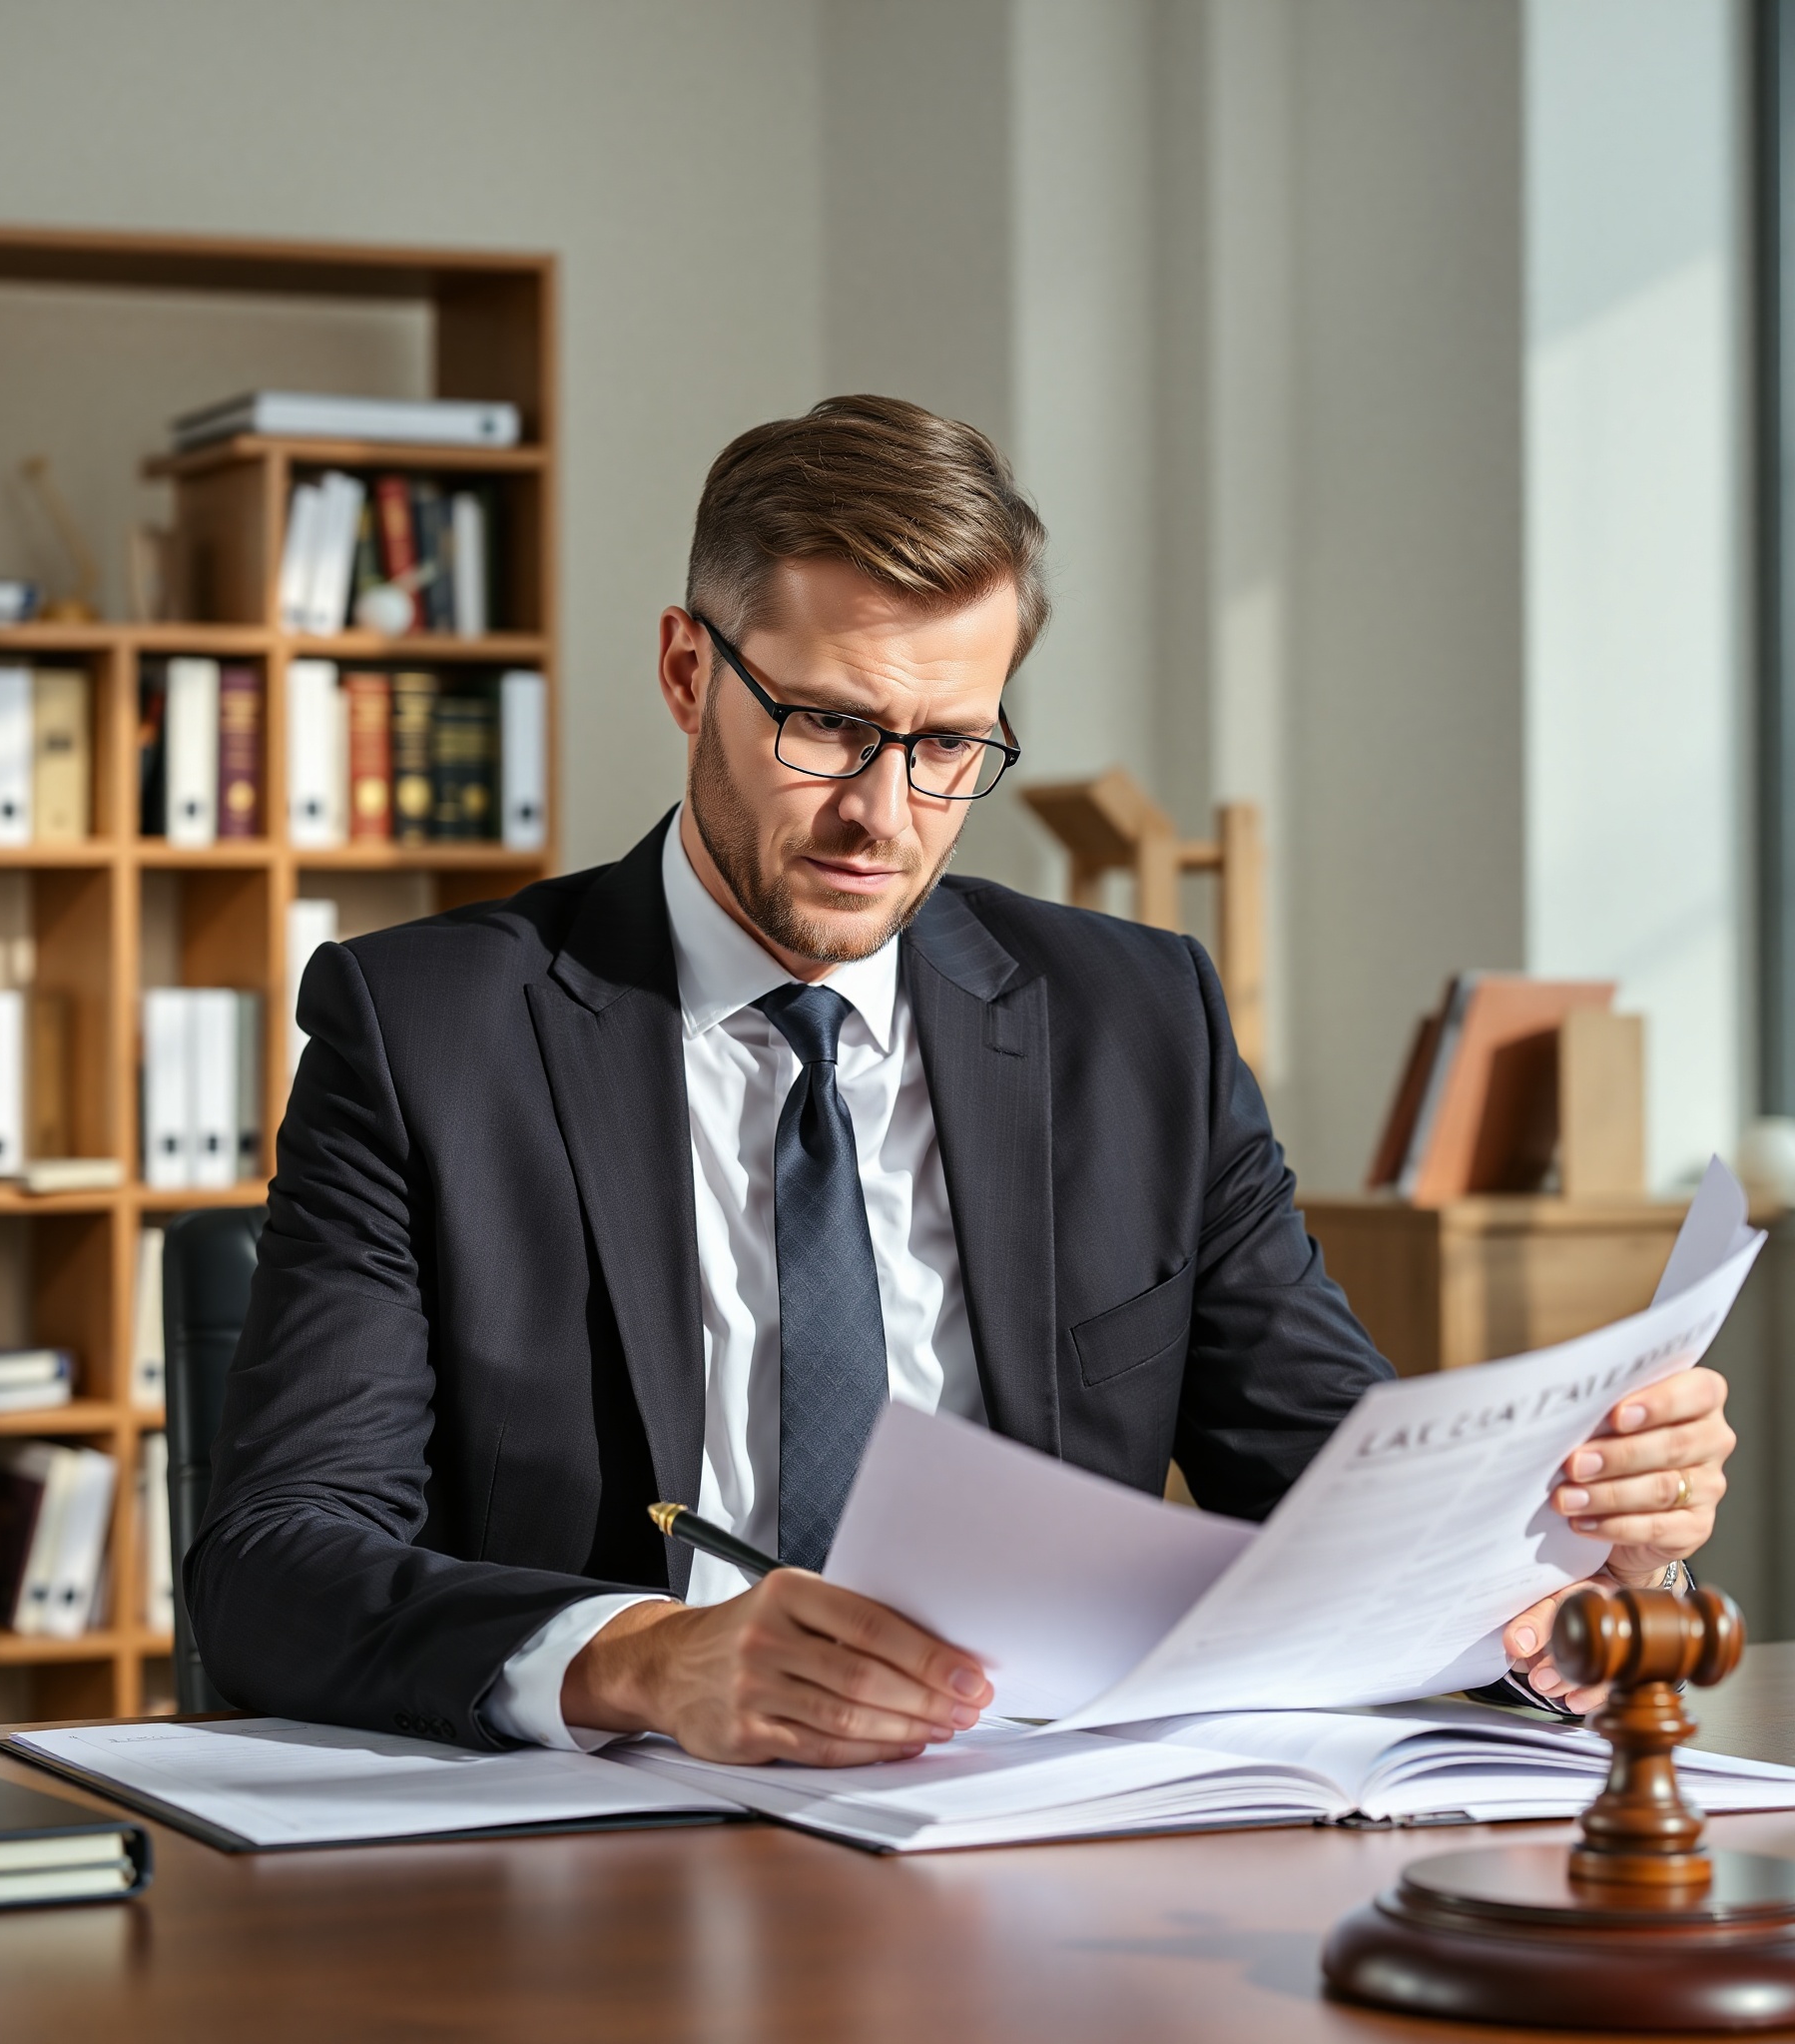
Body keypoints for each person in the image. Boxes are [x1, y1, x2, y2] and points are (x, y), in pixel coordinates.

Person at [188, 394, 1734, 1759]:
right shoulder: (429, 1030)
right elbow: (275, 1560)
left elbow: (1334, 1495)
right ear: (685, 670)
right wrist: (644, 1661)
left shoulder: (1138, 1021)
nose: (886, 812)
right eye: (827, 726)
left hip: (1034, 1828)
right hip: (610, 1843)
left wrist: (1577, 1560)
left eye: (949, 747)